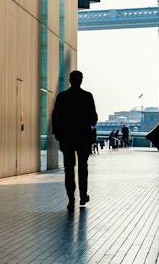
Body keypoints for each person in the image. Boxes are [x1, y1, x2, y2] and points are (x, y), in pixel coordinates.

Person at [52, 70, 98, 211]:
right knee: (83, 168)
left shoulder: (62, 97)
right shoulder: (87, 96)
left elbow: (55, 118)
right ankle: (83, 195)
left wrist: (58, 134)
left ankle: (71, 199)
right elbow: (94, 119)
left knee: (69, 169)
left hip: (67, 139)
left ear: (70, 80)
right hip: (83, 138)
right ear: (81, 80)